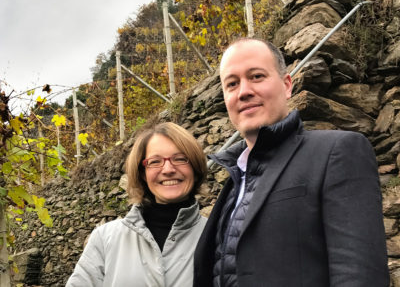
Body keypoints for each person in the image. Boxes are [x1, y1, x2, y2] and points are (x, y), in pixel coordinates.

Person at [193, 38, 389, 287]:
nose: (244, 91)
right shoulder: (235, 179)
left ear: (287, 85)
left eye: (256, 76)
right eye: (232, 84)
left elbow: (360, 276)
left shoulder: (337, 152)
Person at [66, 122, 207, 287]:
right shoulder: (105, 239)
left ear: (195, 169)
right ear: (142, 174)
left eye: (181, 159)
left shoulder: (218, 235)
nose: (168, 169)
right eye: (155, 162)